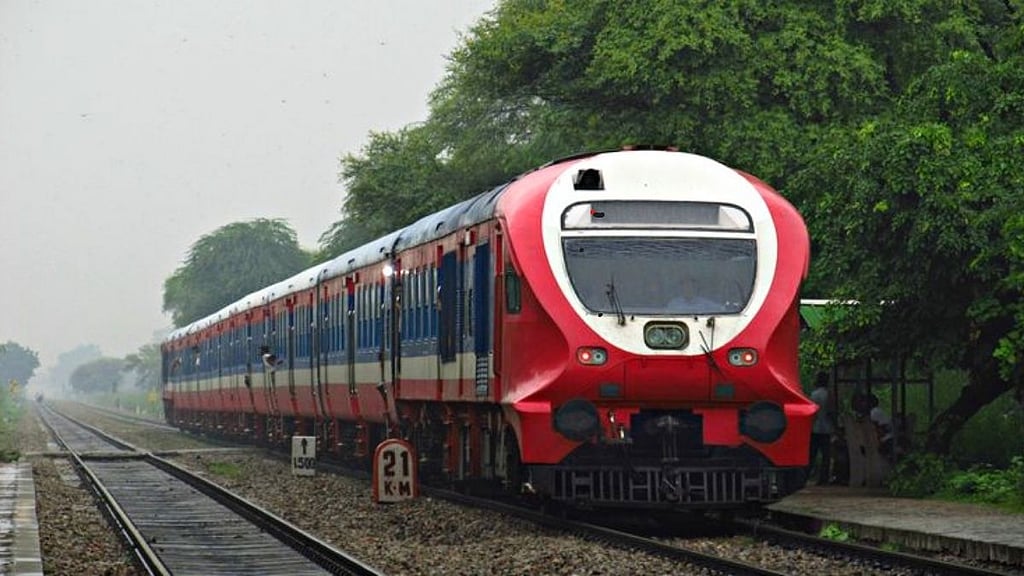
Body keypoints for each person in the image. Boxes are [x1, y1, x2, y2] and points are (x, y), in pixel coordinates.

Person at [808, 373, 834, 485]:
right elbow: (830, 411)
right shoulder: (828, 394)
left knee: (812, 454)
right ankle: (823, 478)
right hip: (826, 428)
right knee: (826, 455)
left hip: (815, 428)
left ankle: (806, 475)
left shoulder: (813, 394)